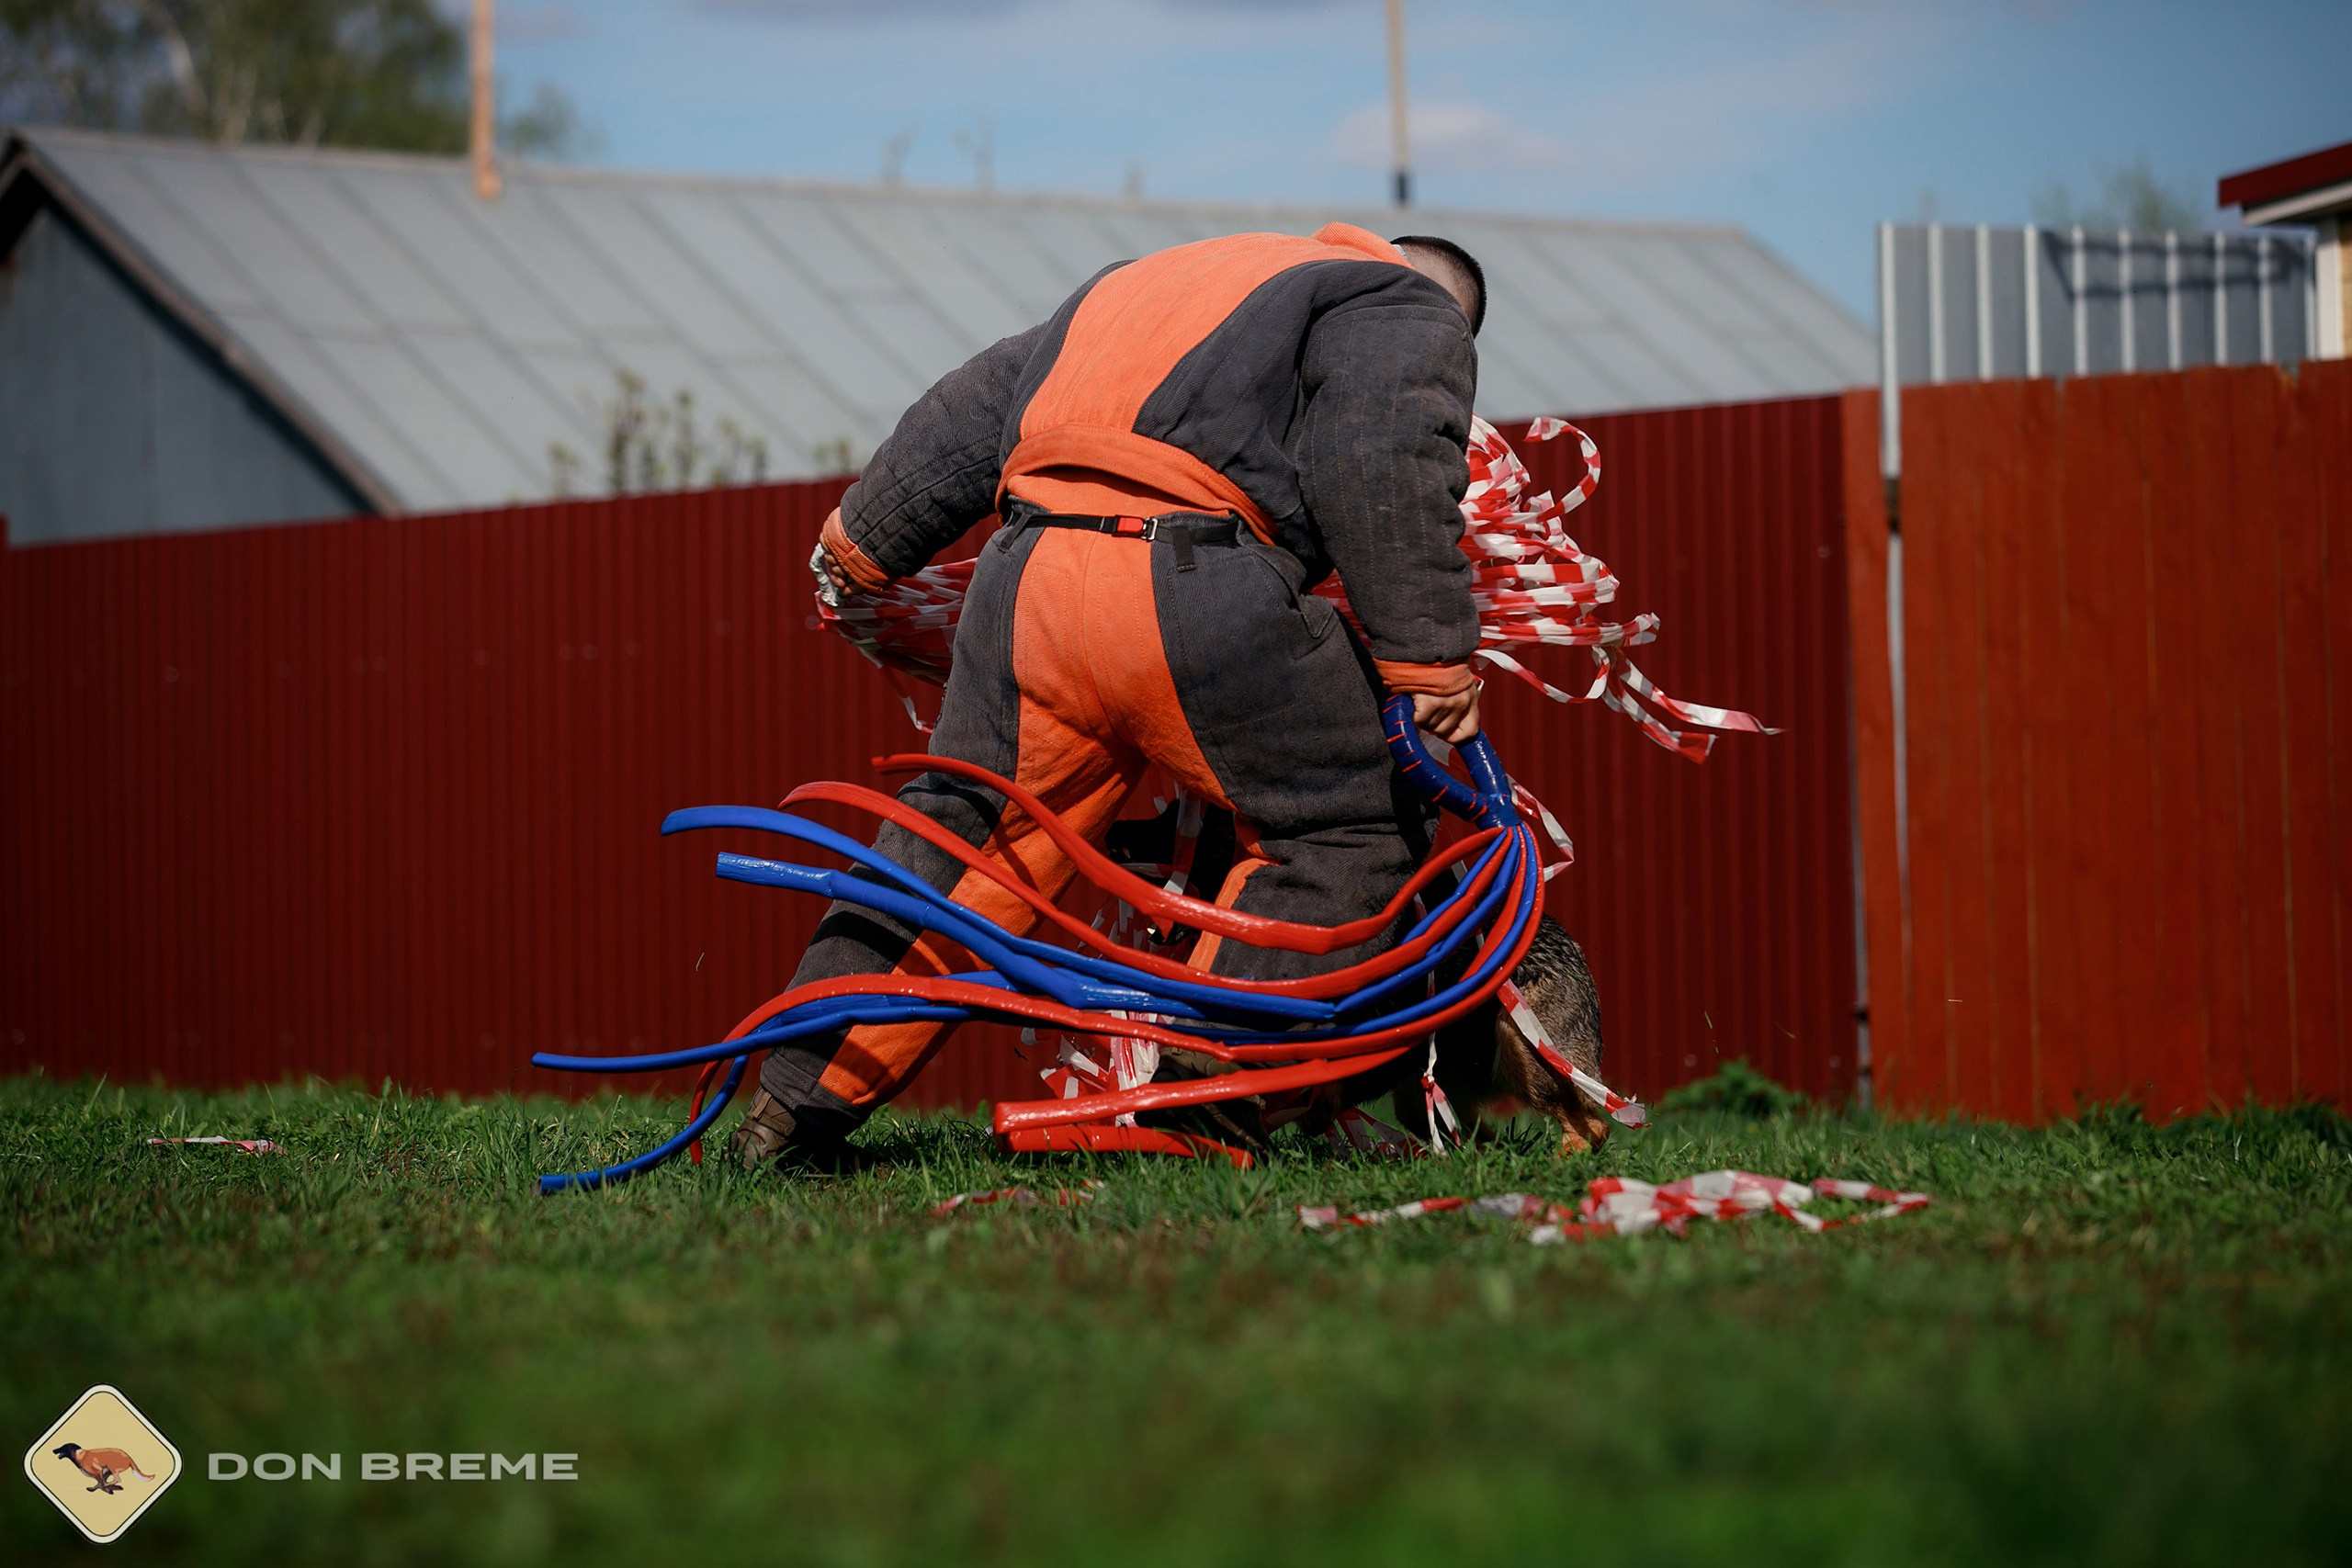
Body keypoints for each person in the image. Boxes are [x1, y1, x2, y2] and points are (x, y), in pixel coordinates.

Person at [732, 223, 1490, 1168]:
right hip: (1194, 581)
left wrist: (861, 542)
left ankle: (789, 1116)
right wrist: (1429, 654)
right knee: (1348, 821)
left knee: (968, 844)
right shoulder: (1402, 301)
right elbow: (1377, 455)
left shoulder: (1159, 280)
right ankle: (1206, 1097)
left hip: (1023, 588)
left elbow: (974, 406)